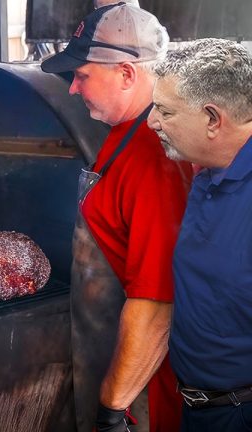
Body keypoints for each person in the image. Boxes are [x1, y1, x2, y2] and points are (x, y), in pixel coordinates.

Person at [40, 3, 192, 431]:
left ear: (126, 73)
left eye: (82, 76)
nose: (72, 89)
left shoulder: (154, 158)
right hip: (115, 365)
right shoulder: (126, 132)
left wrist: (112, 411)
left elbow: (157, 305)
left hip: (143, 397)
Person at [147, 38, 252, 432]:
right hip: (198, 407)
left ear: (212, 119)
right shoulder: (210, 170)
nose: (151, 122)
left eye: (165, 111)